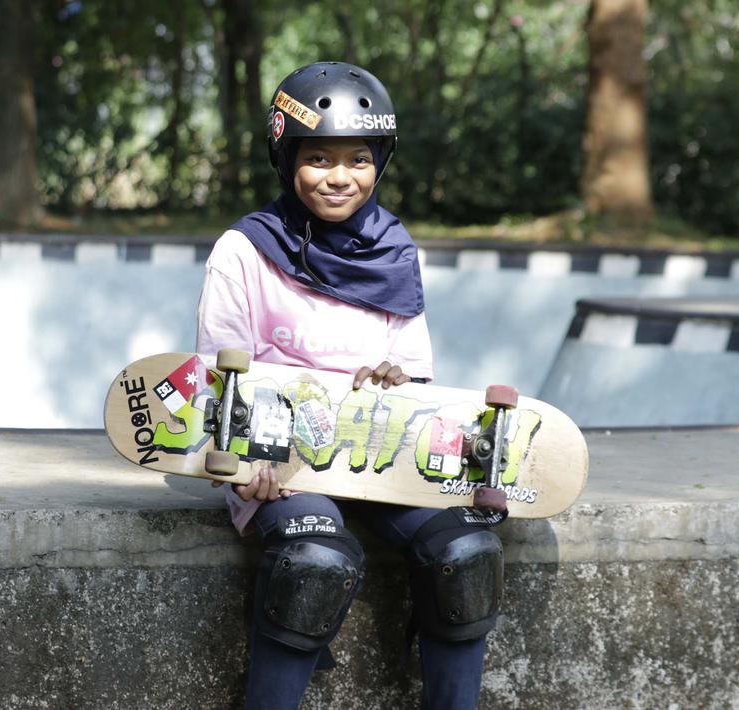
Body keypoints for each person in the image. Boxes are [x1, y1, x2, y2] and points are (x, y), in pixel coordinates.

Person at [196, 62, 504, 710]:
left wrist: (399, 384)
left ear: (380, 162)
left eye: (358, 159)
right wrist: (248, 465)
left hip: (379, 458)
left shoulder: (393, 250)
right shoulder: (245, 251)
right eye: (319, 159)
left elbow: (415, 385)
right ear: (286, 158)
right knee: (314, 562)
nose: (339, 176)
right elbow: (219, 385)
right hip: (280, 467)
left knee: (467, 552)